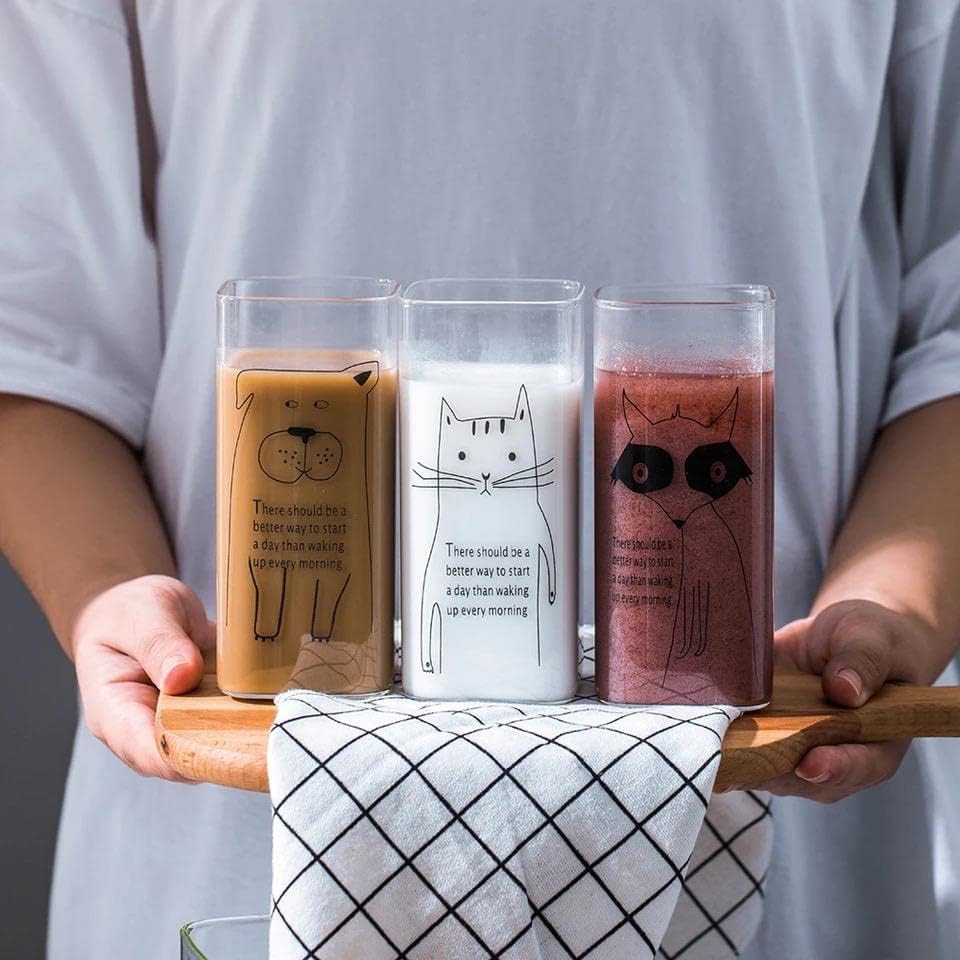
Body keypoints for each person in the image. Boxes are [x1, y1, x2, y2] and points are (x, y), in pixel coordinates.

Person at [1, 1, 959, 957]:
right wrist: (108, 592)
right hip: (240, 784)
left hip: (772, 752)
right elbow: (32, 324)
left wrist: (896, 606)